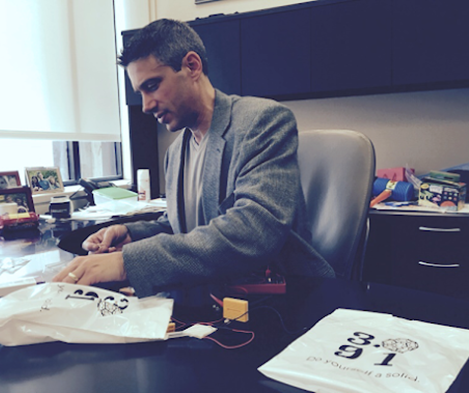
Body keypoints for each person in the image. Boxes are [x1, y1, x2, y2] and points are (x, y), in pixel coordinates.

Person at [53, 19, 334, 297]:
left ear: (192, 66)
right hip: (210, 301)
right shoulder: (175, 153)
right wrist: (130, 234)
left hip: (280, 303)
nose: (146, 106)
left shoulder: (262, 122)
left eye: (152, 85)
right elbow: (181, 228)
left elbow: (253, 230)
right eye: (140, 92)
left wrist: (127, 263)